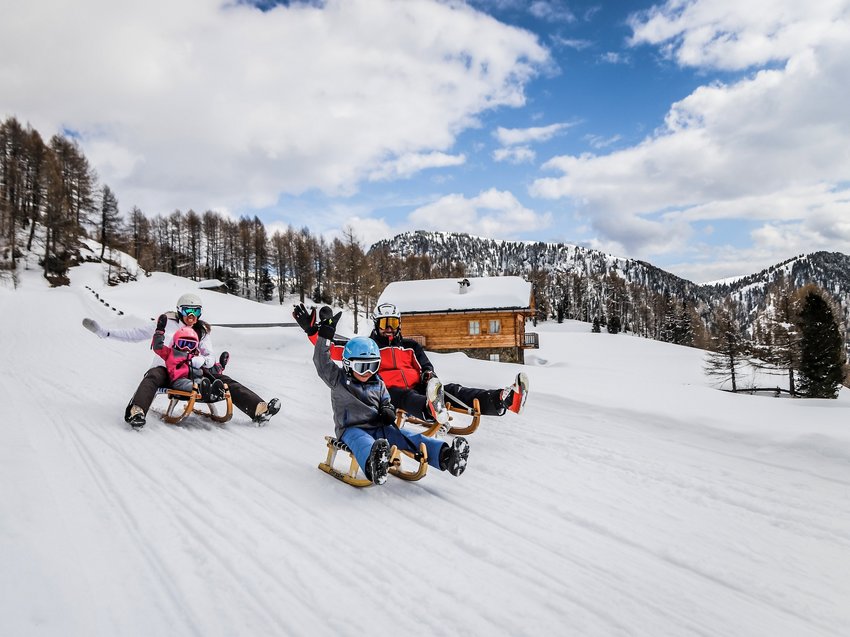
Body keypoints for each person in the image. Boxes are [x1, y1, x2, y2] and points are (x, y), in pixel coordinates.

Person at [293, 301, 528, 425]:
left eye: (393, 324)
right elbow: (333, 349)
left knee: (452, 390)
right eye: (384, 324)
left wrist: (427, 375)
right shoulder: (368, 347)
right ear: (376, 324)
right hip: (385, 392)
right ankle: (429, 410)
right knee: (404, 397)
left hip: (418, 387)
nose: (389, 329)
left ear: (399, 325)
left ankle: (502, 400)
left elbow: (426, 366)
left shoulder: (411, 346)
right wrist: (312, 332)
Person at [311, 311, 469, 485]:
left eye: (372, 366)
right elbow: (321, 362)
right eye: (362, 367)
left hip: (379, 425)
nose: (368, 372)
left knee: (407, 436)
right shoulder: (337, 379)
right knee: (362, 443)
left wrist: (387, 409)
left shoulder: (377, 382)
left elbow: (385, 400)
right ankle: (374, 465)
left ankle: (446, 455)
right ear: (348, 365)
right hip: (351, 429)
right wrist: (325, 335)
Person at [83, 292, 280, 428]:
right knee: (151, 377)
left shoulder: (201, 331)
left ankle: (258, 409)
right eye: (188, 311)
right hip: (165, 369)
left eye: (196, 312)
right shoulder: (165, 323)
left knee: (224, 380)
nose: (192, 316)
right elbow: (134, 334)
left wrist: (202, 361)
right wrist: (104, 332)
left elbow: (209, 356)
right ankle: (137, 411)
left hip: (192, 371)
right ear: (179, 310)